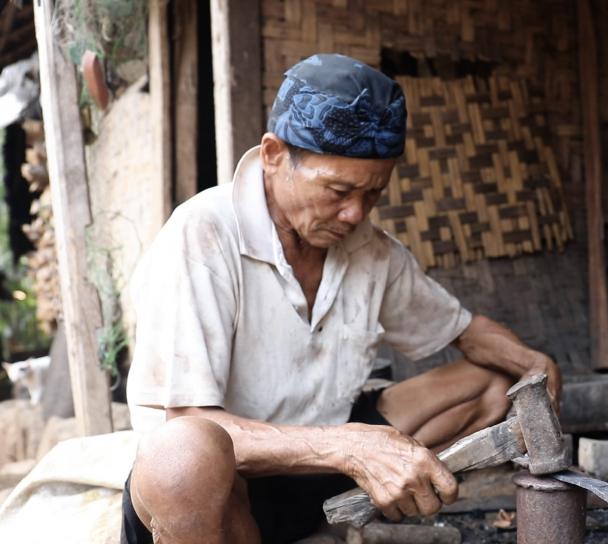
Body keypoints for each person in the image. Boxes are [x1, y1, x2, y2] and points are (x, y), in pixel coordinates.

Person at [120, 53, 561, 544]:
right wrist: (349, 446)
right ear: (273, 155)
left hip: (320, 477)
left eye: (372, 195)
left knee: (494, 380)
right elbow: (186, 422)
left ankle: (330, 527)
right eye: (337, 190)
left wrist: (533, 363)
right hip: (228, 494)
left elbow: (464, 331)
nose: (354, 214)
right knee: (185, 454)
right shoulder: (203, 233)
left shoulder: (369, 250)